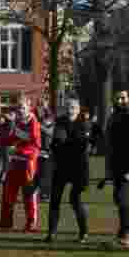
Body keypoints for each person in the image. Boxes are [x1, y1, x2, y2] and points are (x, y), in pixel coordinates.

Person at [99, 90, 129, 247]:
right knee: (118, 197)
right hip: (117, 162)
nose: (120, 100)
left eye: (123, 97)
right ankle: (123, 231)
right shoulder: (114, 116)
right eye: (117, 97)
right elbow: (110, 140)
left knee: (121, 197)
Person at [0, 98, 42, 232]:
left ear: (29, 108)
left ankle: (31, 224)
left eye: (23, 108)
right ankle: (6, 221)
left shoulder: (34, 122)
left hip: (28, 163)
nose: (20, 110)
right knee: (8, 191)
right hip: (15, 161)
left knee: (28, 194)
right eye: (18, 107)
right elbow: (12, 138)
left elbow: (36, 145)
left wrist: (19, 150)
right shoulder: (18, 122)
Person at [45, 100, 91, 243]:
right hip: (61, 167)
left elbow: (82, 145)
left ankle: (83, 232)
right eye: (67, 107)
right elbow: (56, 142)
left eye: (73, 107)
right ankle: (51, 232)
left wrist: (67, 143)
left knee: (75, 200)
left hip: (78, 167)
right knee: (54, 200)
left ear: (78, 110)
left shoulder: (83, 123)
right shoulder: (60, 122)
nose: (70, 110)